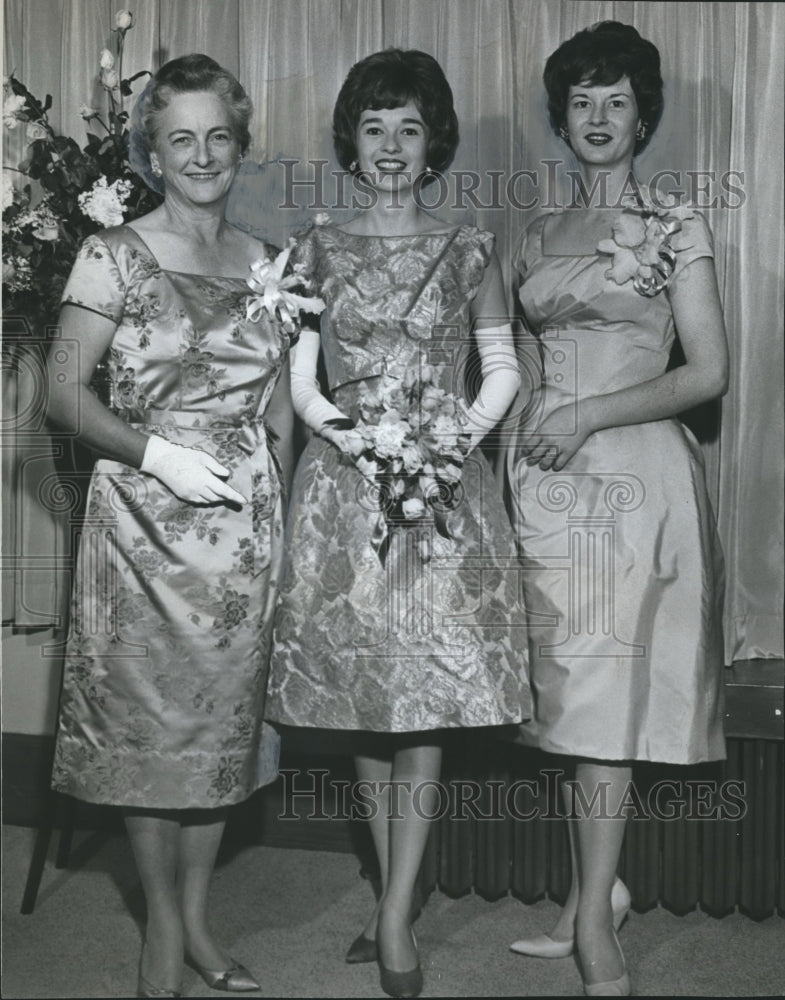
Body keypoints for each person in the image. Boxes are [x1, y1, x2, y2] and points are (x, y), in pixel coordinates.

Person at [265, 48, 530, 999]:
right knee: (365, 702)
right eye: (374, 126)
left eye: (408, 128)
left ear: (433, 144)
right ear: (351, 138)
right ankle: (395, 899)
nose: (389, 146)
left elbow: (500, 367)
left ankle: (390, 911)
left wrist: (451, 437)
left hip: (444, 490)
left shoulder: (469, 247)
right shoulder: (314, 248)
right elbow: (300, 381)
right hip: (347, 488)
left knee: (422, 696)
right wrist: (362, 439)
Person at [47, 54, 293, 998]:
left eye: (218, 137)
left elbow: (280, 405)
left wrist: (278, 491)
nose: (201, 155)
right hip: (144, 528)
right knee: (153, 735)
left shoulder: (269, 263)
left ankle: (195, 919)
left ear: (239, 146)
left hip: (241, 534)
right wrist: (157, 455)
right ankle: (159, 928)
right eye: (180, 137)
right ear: (151, 149)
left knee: (219, 731)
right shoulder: (113, 252)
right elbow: (61, 393)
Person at [504, 21, 728, 997]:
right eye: (580, 102)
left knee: (598, 703)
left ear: (642, 116)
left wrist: (589, 412)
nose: (597, 119)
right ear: (561, 117)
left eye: (616, 102)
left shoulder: (674, 223)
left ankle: (595, 920)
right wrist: (509, 447)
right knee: (566, 699)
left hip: (632, 483)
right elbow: (511, 369)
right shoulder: (532, 233)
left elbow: (706, 374)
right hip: (542, 486)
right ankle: (595, 892)